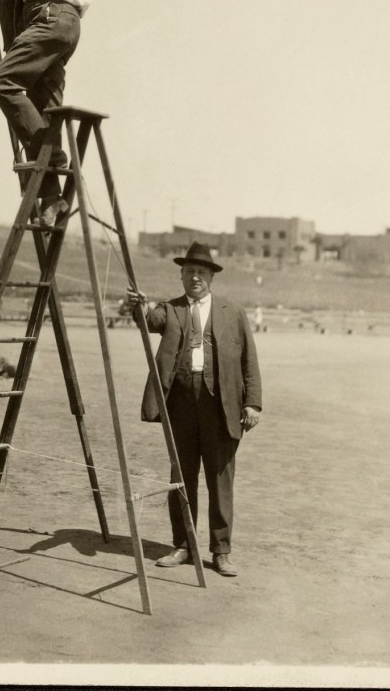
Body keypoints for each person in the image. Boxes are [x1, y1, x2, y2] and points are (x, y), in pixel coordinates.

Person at [127, 242, 262, 577]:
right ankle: (184, 545)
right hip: (181, 407)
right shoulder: (170, 310)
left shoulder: (233, 312)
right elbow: (148, 320)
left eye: (202, 272)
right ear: (182, 276)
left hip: (222, 408)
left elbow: (250, 361)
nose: (195, 278)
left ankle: (221, 551)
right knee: (181, 480)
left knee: (220, 483)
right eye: (190, 272)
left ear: (211, 278)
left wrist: (253, 403)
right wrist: (139, 307)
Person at [0, 0, 92, 227]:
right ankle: (50, 197)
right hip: (58, 20)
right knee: (47, 110)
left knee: (3, 82)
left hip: (51, 16)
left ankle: (53, 157)